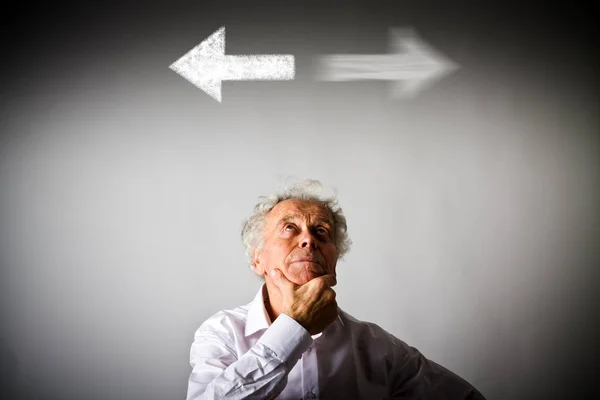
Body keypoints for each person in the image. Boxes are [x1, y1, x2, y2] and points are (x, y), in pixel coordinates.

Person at [186, 179, 486, 399]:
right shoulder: (220, 333)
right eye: (290, 228)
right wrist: (295, 327)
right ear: (258, 260)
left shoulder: (377, 347)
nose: (308, 240)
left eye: (321, 232)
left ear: (334, 259)